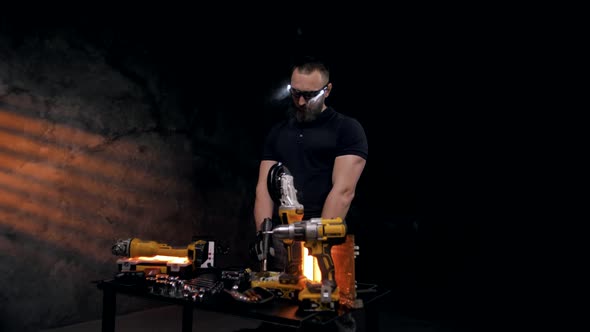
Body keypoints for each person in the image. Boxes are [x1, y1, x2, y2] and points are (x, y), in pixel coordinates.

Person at [241, 56, 368, 331]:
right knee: (279, 316)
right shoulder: (278, 133)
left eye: (309, 95)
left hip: (324, 243)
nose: (300, 102)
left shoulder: (347, 129)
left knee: (324, 317)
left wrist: (315, 240)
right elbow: (263, 189)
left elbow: (343, 191)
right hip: (283, 240)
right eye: (295, 93)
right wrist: (264, 237)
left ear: (328, 90)